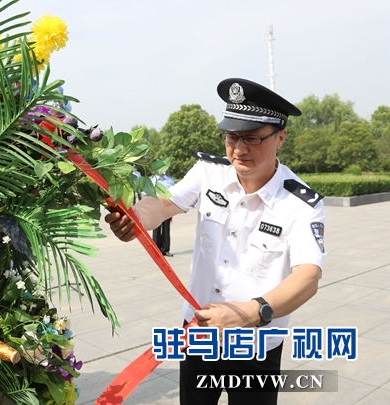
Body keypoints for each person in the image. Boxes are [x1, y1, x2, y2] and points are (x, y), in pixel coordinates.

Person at [105, 78, 326, 405]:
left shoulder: (300, 203)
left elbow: (307, 278)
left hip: (256, 346)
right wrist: (135, 219)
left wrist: (250, 313)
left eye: (252, 138)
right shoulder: (208, 172)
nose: (239, 149)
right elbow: (166, 204)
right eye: (231, 136)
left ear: (281, 136)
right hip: (198, 333)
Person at [151, 172, 175, 256]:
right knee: (156, 228)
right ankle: (156, 250)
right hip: (156, 206)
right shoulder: (153, 180)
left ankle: (165, 249)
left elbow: (173, 193)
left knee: (166, 229)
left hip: (167, 206)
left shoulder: (170, 180)